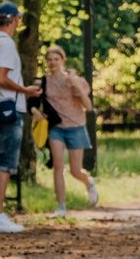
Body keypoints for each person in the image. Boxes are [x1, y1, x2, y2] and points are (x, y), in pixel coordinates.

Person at [0, 1, 42, 234]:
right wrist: (26, 90)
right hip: (7, 108)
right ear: (15, 20)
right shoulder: (6, 44)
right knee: (5, 164)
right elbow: (1, 78)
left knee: (2, 162)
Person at [36, 45, 97, 218]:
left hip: (76, 127)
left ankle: (89, 182)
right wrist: (36, 112)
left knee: (75, 170)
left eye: (56, 59)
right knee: (58, 166)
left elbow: (88, 106)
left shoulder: (73, 80)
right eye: (49, 59)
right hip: (57, 128)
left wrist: (76, 84)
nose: (52, 62)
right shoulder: (45, 81)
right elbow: (34, 101)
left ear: (63, 61)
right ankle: (61, 207)